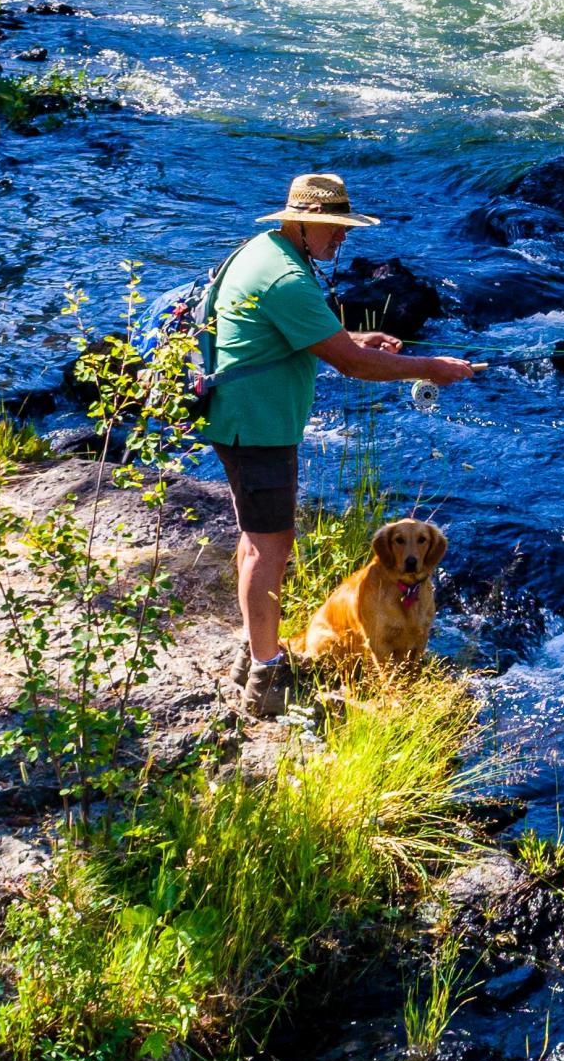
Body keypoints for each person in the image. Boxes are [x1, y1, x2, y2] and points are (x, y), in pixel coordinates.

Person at [201, 171, 480, 718]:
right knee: (270, 548)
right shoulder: (286, 275)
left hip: (245, 417)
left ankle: (249, 652)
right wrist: (429, 368)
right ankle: (265, 674)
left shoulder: (264, 253)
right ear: (302, 222)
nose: (342, 238)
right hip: (258, 424)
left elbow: (313, 338)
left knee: (256, 540)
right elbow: (348, 364)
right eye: (334, 227)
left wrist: (356, 336)